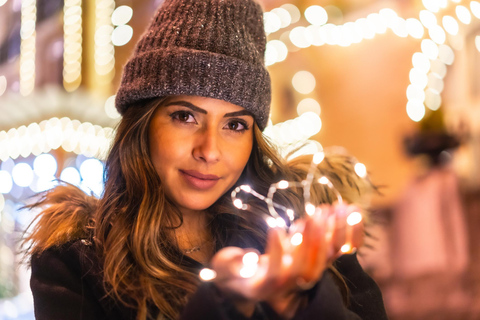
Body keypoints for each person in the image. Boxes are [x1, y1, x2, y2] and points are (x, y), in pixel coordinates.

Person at [23, 0, 388, 319]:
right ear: (143, 124)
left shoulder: (304, 233)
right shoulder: (76, 262)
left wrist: (309, 303)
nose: (209, 150)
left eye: (234, 124)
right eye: (185, 116)